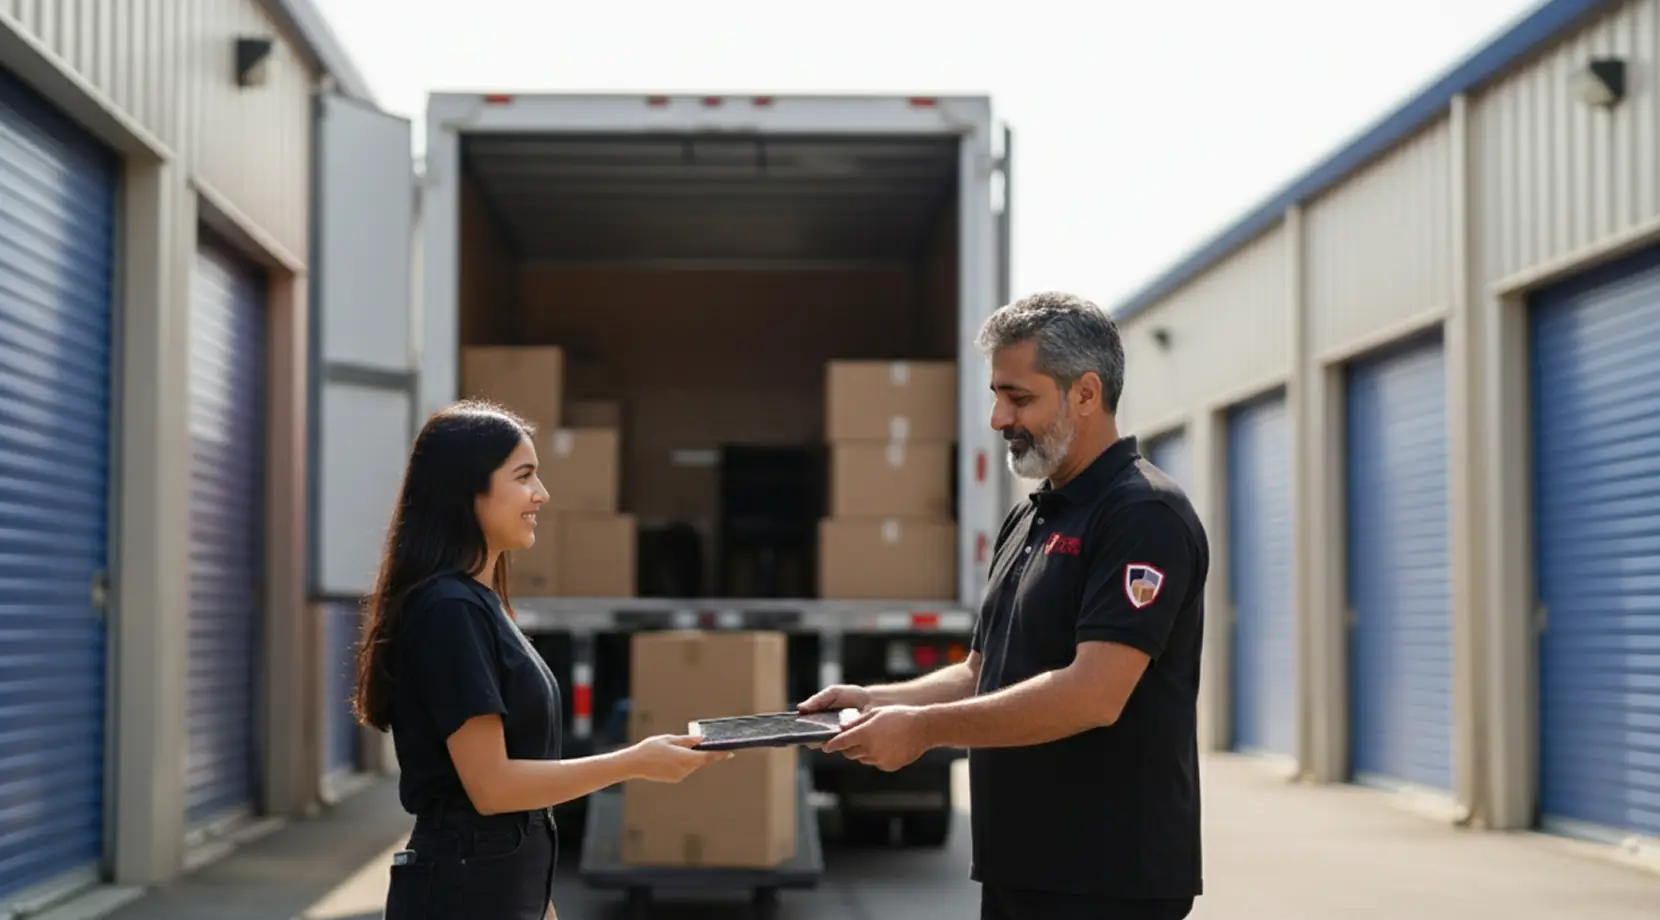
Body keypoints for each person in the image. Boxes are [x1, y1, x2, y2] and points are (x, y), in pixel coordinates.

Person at [801, 291, 1209, 920]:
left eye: (1019, 398)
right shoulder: (1032, 516)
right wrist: (878, 700)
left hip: (1107, 880)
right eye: (997, 395)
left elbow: (1093, 694)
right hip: (1026, 868)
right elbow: (979, 671)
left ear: (1086, 393)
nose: (998, 419)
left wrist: (922, 732)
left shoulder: (1142, 516)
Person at [353, 400, 732, 920]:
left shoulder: (478, 604)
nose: (542, 494)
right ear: (469, 490)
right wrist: (635, 762)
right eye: (524, 476)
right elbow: (492, 789)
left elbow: (513, 816)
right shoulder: (448, 611)